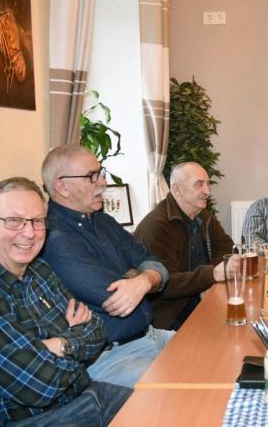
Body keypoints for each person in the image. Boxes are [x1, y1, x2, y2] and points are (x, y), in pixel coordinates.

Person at [0, 177, 131, 426]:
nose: (29, 233)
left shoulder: (40, 269)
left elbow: (97, 330)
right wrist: (73, 341)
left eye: (37, 221)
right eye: (14, 220)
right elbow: (40, 385)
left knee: (170, 408)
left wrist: (57, 345)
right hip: (36, 420)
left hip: (88, 395)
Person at [41, 145, 174, 388]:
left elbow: (158, 265)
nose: (103, 182)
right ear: (62, 187)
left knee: (211, 350)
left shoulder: (104, 220)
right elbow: (115, 295)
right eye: (92, 176)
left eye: (100, 173)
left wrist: (143, 280)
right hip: (111, 356)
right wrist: (140, 277)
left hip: (151, 335)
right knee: (181, 384)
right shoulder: (54, 237)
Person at [133, 162, 234, 330]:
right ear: (177, 190)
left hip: (203, 297)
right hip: (171, 316)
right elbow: (165, 283)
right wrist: (210, 275)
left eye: (208, 184)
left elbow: (227, 249)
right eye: (199, 184)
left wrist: (206, 280)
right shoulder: (157, 226)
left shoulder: (203, 216)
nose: (207, 191)